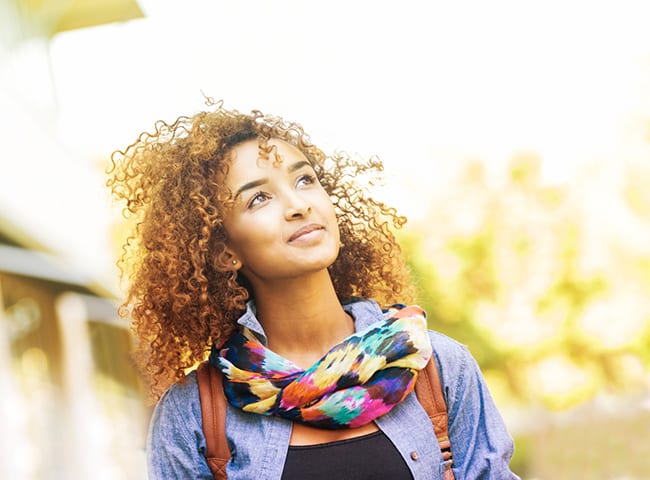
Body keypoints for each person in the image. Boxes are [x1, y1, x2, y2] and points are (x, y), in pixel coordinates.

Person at [108, 100, 520, 479]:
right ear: (223, 250)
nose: (298, 204)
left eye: (304, 179)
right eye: (258, 199)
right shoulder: (194, 416)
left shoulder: (435, 366)